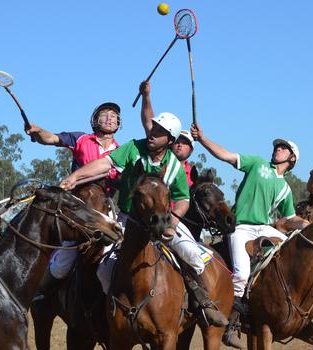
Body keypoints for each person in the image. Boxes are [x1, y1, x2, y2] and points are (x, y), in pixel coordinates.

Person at [60, 112, 229, 328]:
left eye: (159, 132)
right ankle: (110, 310)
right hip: (126, 218)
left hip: (164, 222)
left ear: (169, 140)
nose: (152, 134)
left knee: (194, 256)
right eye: (153, 128)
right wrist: (75, 177)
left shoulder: (175, 166)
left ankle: (204, 304)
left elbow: (183, 199)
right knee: (103, 269)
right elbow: (105, 163)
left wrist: (174, 222)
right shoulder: (133, 148)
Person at [191, 123, 308, 348]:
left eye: (283, 148)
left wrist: (309, 225)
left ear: (292, 159)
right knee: (242, 274)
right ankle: (232, 324)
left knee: (289, 251)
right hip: (241, 226)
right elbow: (225, 155)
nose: (278, 149)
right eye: (277, 147)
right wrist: (203, 139)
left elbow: (290, 218)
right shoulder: (257, 163)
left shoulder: (285, 188)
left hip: (264, 228)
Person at [25, 102, 122, 293]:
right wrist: (37, 131)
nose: (110, 118)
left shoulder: (122, 151)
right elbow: (50, 138)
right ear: (95, 120)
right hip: (78, 207)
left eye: (114, 115)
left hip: (106, 208)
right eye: (105, 114)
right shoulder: (81, 139)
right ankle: (42, 296)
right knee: (61, 266)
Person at [139, 80, 195, 187]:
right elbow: (149, 122)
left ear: (191, 150)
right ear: (170, 141)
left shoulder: (193, 174)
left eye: (185, 143)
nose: (179, 145)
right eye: (178, 141)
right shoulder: (156, 151)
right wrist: (146, 96)